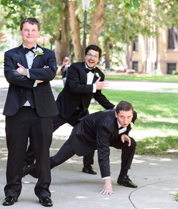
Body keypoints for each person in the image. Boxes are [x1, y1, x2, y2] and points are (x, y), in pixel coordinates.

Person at [24, 45, 113, 174]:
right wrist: (94, 86)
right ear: (85, 56)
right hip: (61, 109)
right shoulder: (75, 68)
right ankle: (27, 162)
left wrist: (113, 108)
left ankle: (87, 166)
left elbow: (98, 95)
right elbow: (74, 87)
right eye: (90, 55)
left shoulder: (99, 75)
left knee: (91, 134)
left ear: (98, 59)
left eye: (95, 56)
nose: (92, 58)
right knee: (43, 133)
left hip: (80, 113)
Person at [1, 17, 58, 207]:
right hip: (17, 111)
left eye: (33, 30)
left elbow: (51, 73)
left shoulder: (48, 54)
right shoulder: (10, 54)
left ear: (38, 33)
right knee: (15, 153)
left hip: (42, 111)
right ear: (21, 32)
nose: (30, 33)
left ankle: (43, 192)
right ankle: (11, 192)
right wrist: (35, 78)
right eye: (26, 30)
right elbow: (11, 77)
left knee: (42, 153)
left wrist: (26, 72)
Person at [23, 102, 139, 194]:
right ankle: (23, 172)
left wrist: (124, 134)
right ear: (115, 114)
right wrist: (107, 181)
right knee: (57, 159)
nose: (126, 121)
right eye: (122, 117)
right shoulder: (106, 124)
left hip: (107, 135)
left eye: (129, 117)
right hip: (83, 135)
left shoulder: (132, 116)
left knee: (130, 143)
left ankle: (123, 177)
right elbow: (103, 153)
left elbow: (126, 125)